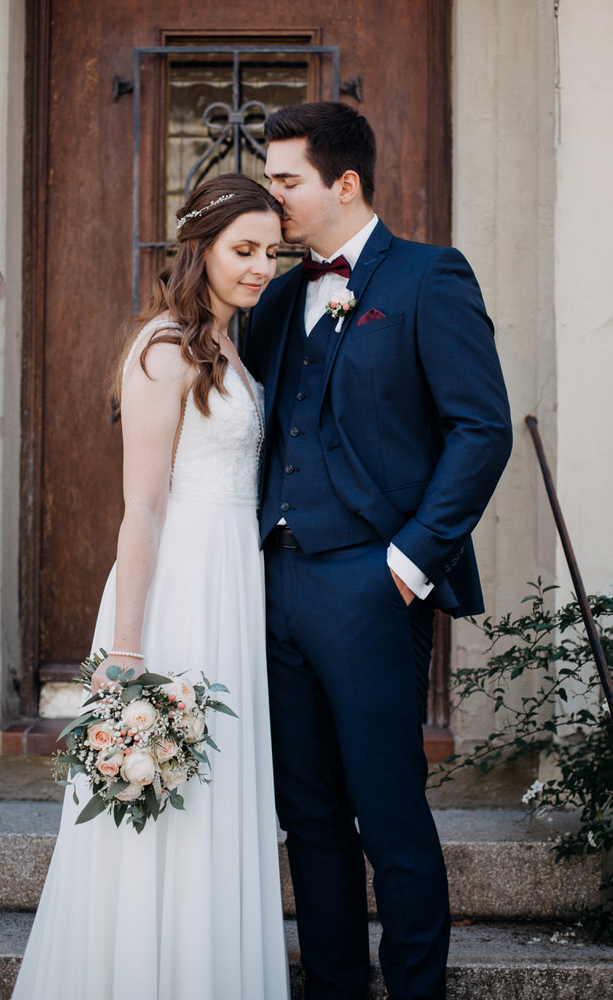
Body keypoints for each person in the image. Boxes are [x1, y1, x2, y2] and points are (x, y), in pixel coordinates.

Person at [243, 102, 513, 1000]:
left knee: (389, 816)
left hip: (372, 583)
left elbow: (480, 430)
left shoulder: (431, 278)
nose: (271, 197)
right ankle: (330, 988)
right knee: (308, 815)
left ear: (343, 182)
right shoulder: (279, 297)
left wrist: (405, 565)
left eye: (285, 181)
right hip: (275, 581)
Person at [12, 173, 290, 1000]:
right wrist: (125, 650)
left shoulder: (234, 344)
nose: (259, 268)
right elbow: (141, 505)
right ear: (198, 249)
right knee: (171, 791)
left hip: (236, 581)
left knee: (219, 791)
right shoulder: (161, 348)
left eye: (270, 252)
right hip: (180, 588)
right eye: (243, 250)